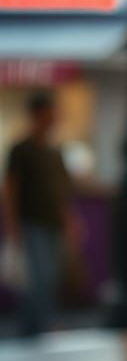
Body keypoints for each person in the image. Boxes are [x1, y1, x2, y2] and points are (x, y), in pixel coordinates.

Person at [2, 92, 75, 336]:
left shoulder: (55, 152)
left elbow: (61, 191)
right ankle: (40, 325)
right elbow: (11, 189)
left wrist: (69, 220)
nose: (53, 118)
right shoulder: (21, 149)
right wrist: (11, 225)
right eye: (49, 113)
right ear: (37, 115)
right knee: (38, 277)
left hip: (52, 222)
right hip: (30, 222)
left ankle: (34, 326)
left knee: (48, 276)